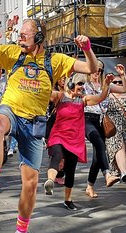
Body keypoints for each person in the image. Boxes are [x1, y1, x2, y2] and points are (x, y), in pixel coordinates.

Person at [0, 13, 98, 233]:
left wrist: (87, 47)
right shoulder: (12, 53)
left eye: (24, 35)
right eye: (19, 35)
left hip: (34, 124)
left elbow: (92, 67)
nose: (19, 38)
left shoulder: (56, 60)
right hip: (11, 110)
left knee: (30, 183)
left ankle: (21, 231)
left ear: (38, 36)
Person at [43, 72, 112, 209]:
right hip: (58, 135)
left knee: (71, 169)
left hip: (75, 139)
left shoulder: (83, 100)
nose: (82, 86)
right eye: (80, 83)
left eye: (83, 84)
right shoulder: (60, 96)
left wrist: (106, 85)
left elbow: (100, 97)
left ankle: (68, 200)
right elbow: (46, 92)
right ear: (71, 84)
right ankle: (50, 181)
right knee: (56, 156)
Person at [83, 61, 126, 198]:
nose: (96, 73)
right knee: (99, 142)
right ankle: (107, 174)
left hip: (102, 120)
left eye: (100, 70)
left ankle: (90, 186)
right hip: (87, 118)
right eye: (94, 70)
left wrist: (122, 75)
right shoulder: (84, 86)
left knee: (98, 156)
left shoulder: (106, 85)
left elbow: (124, 89)